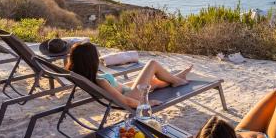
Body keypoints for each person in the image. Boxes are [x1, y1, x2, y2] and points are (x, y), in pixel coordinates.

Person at [65, 42, 193, 108]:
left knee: (153, 81)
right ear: (90, 61)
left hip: (126, 89)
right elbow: (125, 101)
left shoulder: (83, 74)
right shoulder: (100, 81)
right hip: (130, 95)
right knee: (152, 63)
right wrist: (147, 104)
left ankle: (176, 78)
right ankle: (177, 80)